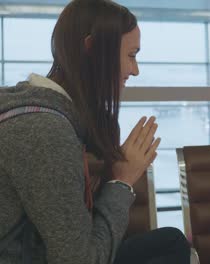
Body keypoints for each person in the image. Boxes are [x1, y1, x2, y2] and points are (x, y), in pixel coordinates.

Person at [0, 0, 190, 263]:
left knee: (171, 242)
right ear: (92, 49)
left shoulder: (38, 110)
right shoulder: (44, 133)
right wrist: (122, 182)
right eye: (131, 55)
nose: (135, 70)